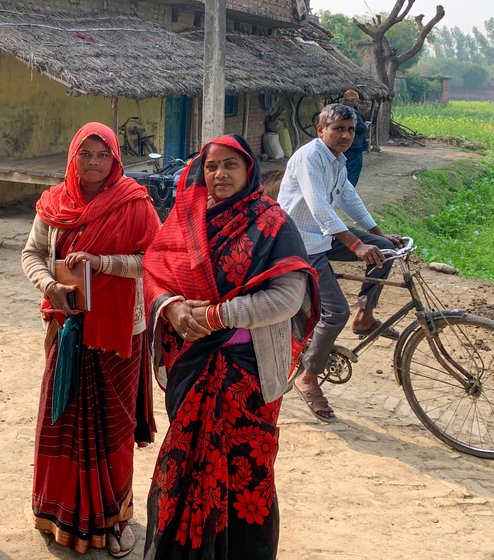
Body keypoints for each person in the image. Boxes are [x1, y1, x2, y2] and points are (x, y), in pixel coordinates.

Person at [142, 133, 319, 559]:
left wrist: (218, 316)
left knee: (246, 474)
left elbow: (286, 298)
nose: (219, 174)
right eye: (211, 165)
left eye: (230, 165)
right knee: (183, 463)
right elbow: (154, 270)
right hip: (192, 362)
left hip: (247, 372)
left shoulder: (271, 222)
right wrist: (170, 308)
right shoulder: (187, 218)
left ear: (249, 170)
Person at [21, 121, 161, 557]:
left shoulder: (135, 204)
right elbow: (31, 254)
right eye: (87, 154)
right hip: (65, 330)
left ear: (115, 159)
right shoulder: (53, 205)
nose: (94, 163)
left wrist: (102, 263)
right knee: (63, 421)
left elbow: (152, 260)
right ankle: (59, 512)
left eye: (103, 155)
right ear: (73, 157)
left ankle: (116, 519)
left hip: (120, 333)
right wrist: (49, 286)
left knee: (111, 428)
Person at [277, 103, 402, 423]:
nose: (345, 135)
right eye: (338, 129)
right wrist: (355, 244)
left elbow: (348, 198)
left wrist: (377, 235)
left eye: (350, 130)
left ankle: (365, 316)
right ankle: (308, 379)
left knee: (384, 250)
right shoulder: (309, 157)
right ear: (321, 130)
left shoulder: (337, 160)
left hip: (322, 236)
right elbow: (319, 206)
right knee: (334, 312)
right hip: (299, 241)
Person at [341, 89, 369, 188]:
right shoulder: (352, 111)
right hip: (354, 145)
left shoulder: (340, 109)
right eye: (357, 100)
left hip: (344, 145)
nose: (358, 102)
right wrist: (365, 126)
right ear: (353, 100)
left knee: (344, 170)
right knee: (353, 170)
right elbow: (360, 127)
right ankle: (348, 192)